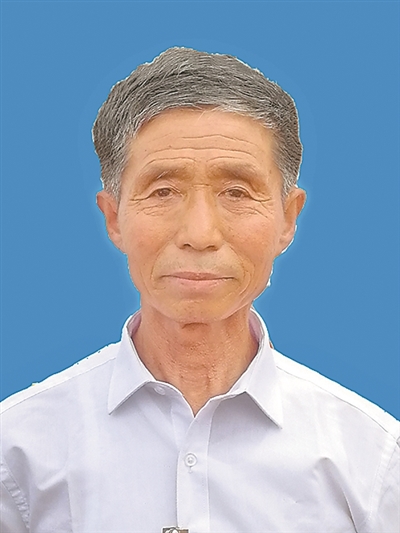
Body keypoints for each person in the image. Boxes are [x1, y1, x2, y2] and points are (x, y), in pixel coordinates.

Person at [1, 47, 398, 533]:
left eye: (237, 192)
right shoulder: (18, 452)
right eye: (163, 191)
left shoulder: (372, 459)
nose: (200, 233)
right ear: (114, 217)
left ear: (288, 219)